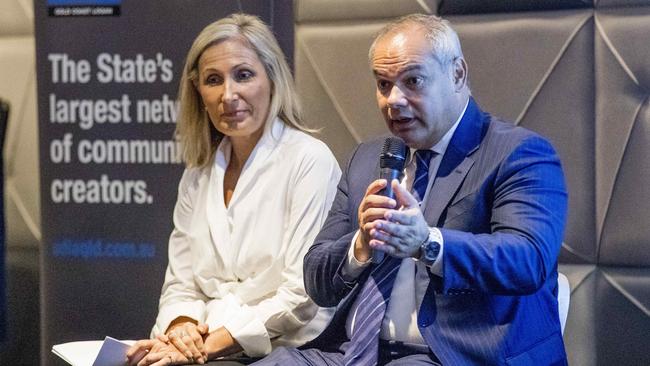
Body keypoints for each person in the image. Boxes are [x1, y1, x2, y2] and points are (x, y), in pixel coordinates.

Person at [254, 13, 568, 366]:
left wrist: (427, 244)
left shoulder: (518, 153)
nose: (394, 100)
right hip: (348, 354)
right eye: (384, 84)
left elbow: (528, 260)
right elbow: (317, 280)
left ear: (457, 74)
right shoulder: (368, 158)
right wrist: (360, 245)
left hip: (451, 355)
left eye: (413, 81)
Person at [126, 13, 341, 366]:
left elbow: (301, 297)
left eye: (243, 75)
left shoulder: (308, 160)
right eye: (213, 80)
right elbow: (181, 285)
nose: (228, 95)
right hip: (207, 348)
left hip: (287, 349)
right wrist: (182, 330)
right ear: (199, 92)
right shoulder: (198, 174)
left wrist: (207, 347)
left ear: (272, 79)